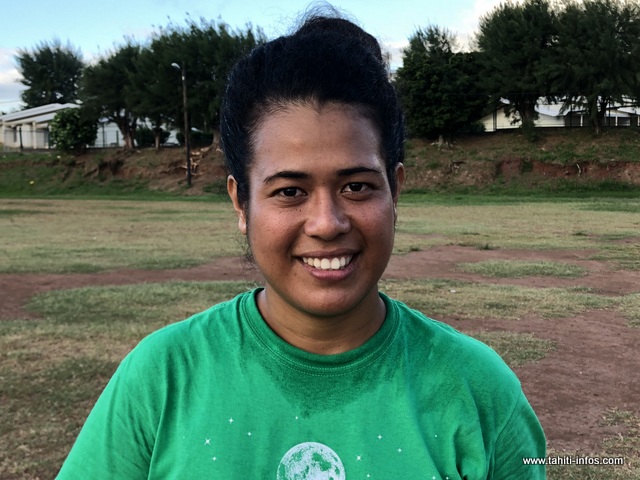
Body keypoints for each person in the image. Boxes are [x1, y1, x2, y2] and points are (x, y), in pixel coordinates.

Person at [57, 12, 546, 480]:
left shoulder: (480, 390)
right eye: (290, 191)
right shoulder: (162, 378)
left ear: (395, 192)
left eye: (357, 186)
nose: (327, 223)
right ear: (241, 203)